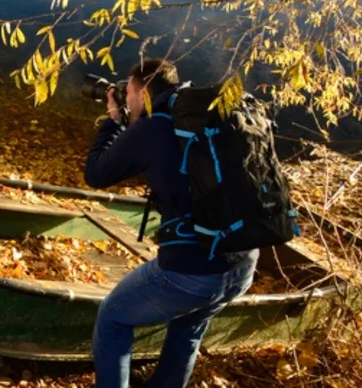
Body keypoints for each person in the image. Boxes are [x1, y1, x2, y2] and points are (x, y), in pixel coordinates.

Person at [84, 59, 259, 388]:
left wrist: (114, 122)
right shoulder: (205, 114)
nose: (128, 99)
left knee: (113, 318)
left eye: (130, 92)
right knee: (187, 331)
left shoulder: (153, 127)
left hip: (194, 271)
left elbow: (96, 174)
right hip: (243, 262)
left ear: (142, 92)